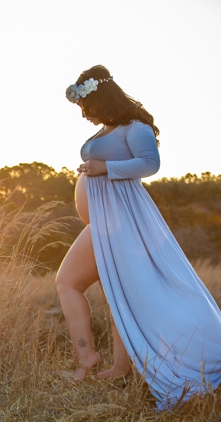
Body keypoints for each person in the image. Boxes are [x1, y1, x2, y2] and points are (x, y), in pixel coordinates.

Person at [56, 64, 221, 410]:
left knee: (66, 282)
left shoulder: (136, 127)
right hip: (105, 222)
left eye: (85, 106)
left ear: (99, 97)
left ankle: (87, 357)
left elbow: (150, 163)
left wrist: (104, 169)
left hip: (119, 223)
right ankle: (119, 366)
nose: (84, 113)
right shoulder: (107, 129)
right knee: (119, 295)